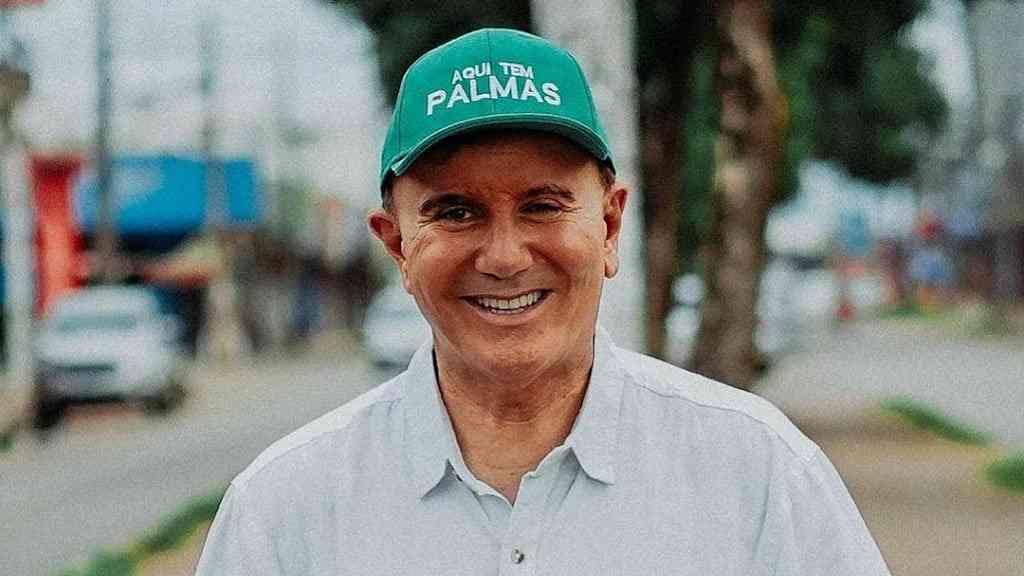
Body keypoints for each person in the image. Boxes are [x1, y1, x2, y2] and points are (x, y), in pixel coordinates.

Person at [195, 28, 890, 575]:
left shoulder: (758, 475)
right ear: (398, 245)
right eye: (456, 211)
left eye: (543, 205)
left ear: (610, 227)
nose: (504, 257)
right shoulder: (284, 513)